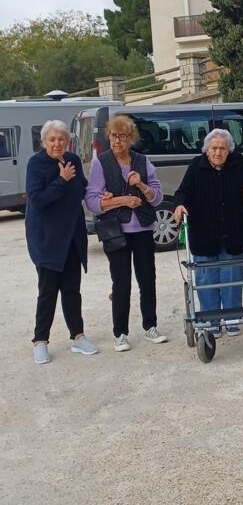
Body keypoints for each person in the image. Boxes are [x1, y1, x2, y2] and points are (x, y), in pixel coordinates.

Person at [173, 129, 243, 337]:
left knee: (232, 278)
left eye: (222, 148)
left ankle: (232, 317)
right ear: (206, 150)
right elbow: (182, 192)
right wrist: (179, 205)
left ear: (229, 150)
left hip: (233, 231)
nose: (218, 152)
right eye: (213, 148)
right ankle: (211, 320)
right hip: (203, 233)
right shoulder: (196, 165)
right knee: (207, 280)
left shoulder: (238, 162)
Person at [85, 114, 164, 351]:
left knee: (147, 279)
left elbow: (157, 198)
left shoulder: (142, 161)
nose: (117, 141)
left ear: (131, 139)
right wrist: (121, 200)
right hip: (116, 232)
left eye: (122, 136)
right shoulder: (101, 162)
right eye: (113, 136)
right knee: (121, 283)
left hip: (143, 229)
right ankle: (120, 333)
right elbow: (92, 201)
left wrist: (141, 185)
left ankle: (150, 326)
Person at [25, 119, 97, 364]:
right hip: (47, 240)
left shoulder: (72, 160)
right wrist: (62, 180)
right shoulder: (36, 164)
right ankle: (40, 341)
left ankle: (78, 336)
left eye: (62, 139)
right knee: (47, 292)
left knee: (72, 291)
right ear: (44, 141)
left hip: (72, 238)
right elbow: (38, 200)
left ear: (68, 141)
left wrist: (100, 195)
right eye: (52, 139)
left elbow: (83, 188)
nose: (57, 144)